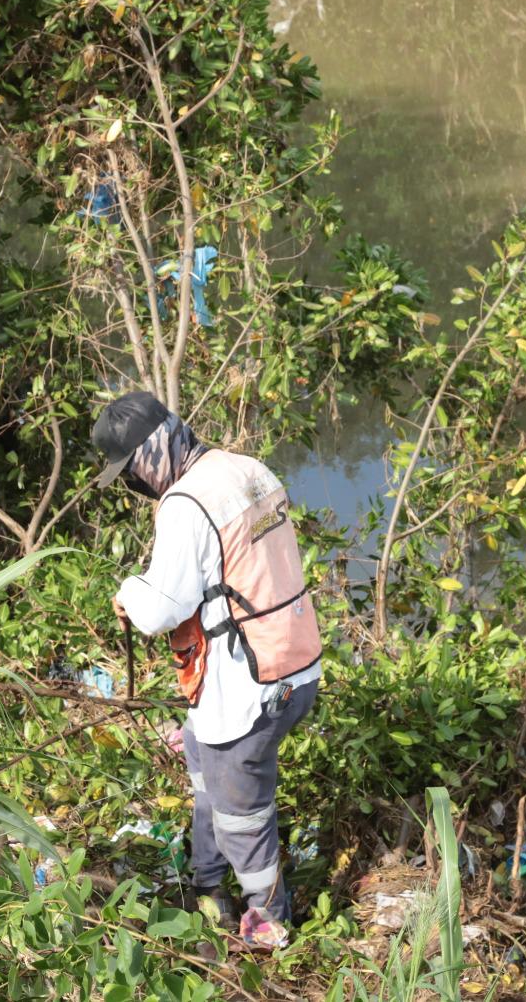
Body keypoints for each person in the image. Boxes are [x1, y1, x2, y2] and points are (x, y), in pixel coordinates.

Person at [92, 391, 322, 947]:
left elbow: (161, 609)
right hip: (297, 665)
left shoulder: (187, 502)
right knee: (201, 756)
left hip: (249, 683)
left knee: (243, 814)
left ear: (150, 453)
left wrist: (128, 591)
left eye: (131, 471)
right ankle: (208, 882)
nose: (134, 485)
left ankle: (270, 922)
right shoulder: (246, 468)